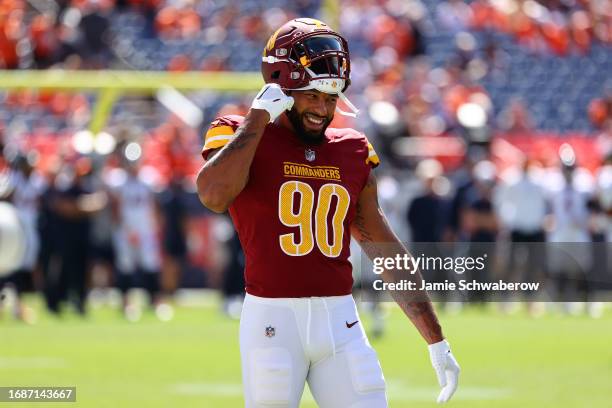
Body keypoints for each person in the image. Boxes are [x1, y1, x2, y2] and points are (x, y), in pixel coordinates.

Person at [197, 18, 460, 407]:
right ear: (281, 86)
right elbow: (213, 195)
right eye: (312, 95)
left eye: (332, 97)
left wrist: (436, 339)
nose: (323, 109)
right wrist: (257, 119)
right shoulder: (240, 132)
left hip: (341, 320)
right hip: (273, 321)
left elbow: (383, 246)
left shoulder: (351, 148)